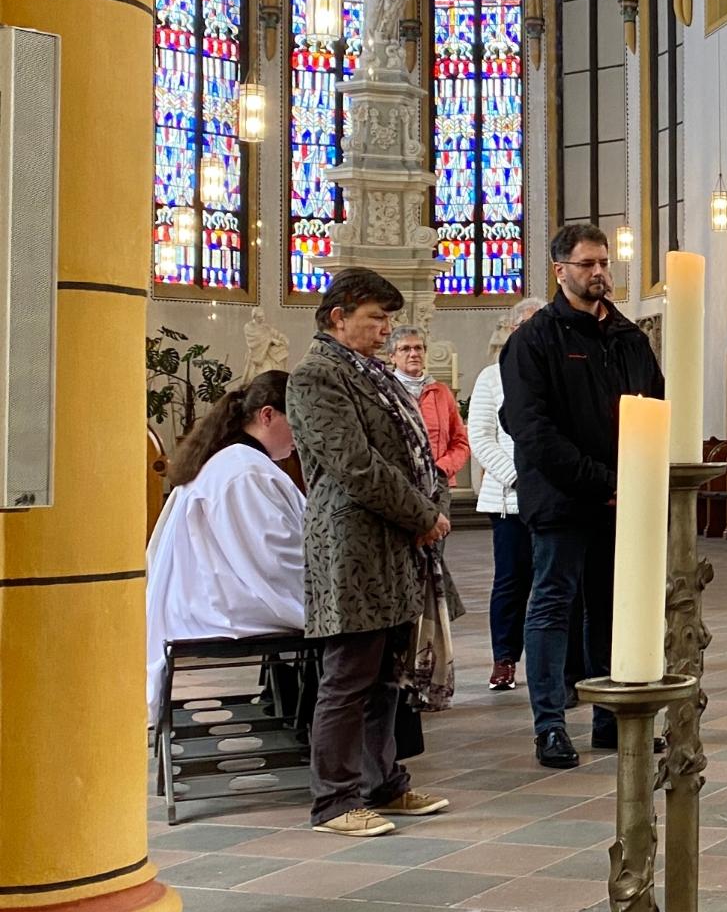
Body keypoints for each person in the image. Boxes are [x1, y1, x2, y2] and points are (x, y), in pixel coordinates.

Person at [287, 268, 456, 838]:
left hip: (395, 545)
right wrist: (421, 513)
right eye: (376, 318)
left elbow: (415, 451)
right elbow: (354, 464)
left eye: (388, 318)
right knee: (348, 675)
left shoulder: (373, 373)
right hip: (353, 547)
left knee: (388, 676)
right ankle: (333, 801)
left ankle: (381, 784)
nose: (386, 330)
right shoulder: (316, 377)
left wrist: (432, 507)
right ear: (339, 317)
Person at [502, 224, 665, 770]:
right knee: (553, 604)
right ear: (560, 271)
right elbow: (533, 428)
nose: (599, 273)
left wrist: (636, 479)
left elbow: (655, 410)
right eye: (587, 264)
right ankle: (549, 724)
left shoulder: (630, 338)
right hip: (563, 500)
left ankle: (609, 719)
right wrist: (604, 481)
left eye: (604, 263)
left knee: (612, 610)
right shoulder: (535, 339)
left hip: (622, 498)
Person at [144, 371, 305, 719]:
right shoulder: (246, 471)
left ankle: (302, 716)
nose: (303, 435)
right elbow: (274, 561)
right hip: (220, 606)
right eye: (299, 420)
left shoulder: (237, 461)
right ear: (267, 415)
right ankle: (334, 741)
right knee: (359, 627)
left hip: (208, 596)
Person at [468, 297, 545, 691]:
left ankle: (557, 665)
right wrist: (520, 477)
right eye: (528, 326)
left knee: (555, 585)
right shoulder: (490, 376)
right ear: (513, 329)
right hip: (510, 499)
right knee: (512, 582)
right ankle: (504, 659)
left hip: (552, 498)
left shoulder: (556, 373)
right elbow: (481, 437)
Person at [389, 326, 469, 481]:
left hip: (439, 481)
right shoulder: (384, 391)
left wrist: (442, 469)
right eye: (405, 349)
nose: (413, 354)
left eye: (418, 348)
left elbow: (461, 441)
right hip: (398, 482)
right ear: (392, 357)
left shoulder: (442, 392)